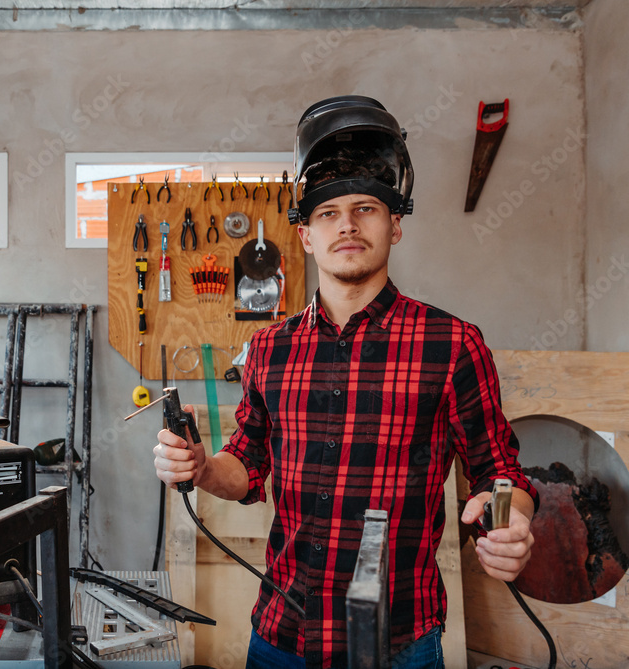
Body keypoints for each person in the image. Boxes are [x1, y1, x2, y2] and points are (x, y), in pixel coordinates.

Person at [153, 96, 538, 669]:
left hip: (401, 639)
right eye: (328, 213)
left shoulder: (453, 344)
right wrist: (203, 468)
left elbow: (501, 472)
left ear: (395, 226)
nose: (348, 225)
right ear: (305, 236)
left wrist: (515, 525)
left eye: (366, 209)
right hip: (282, 632)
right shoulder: (268, 349)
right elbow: (247, 465)